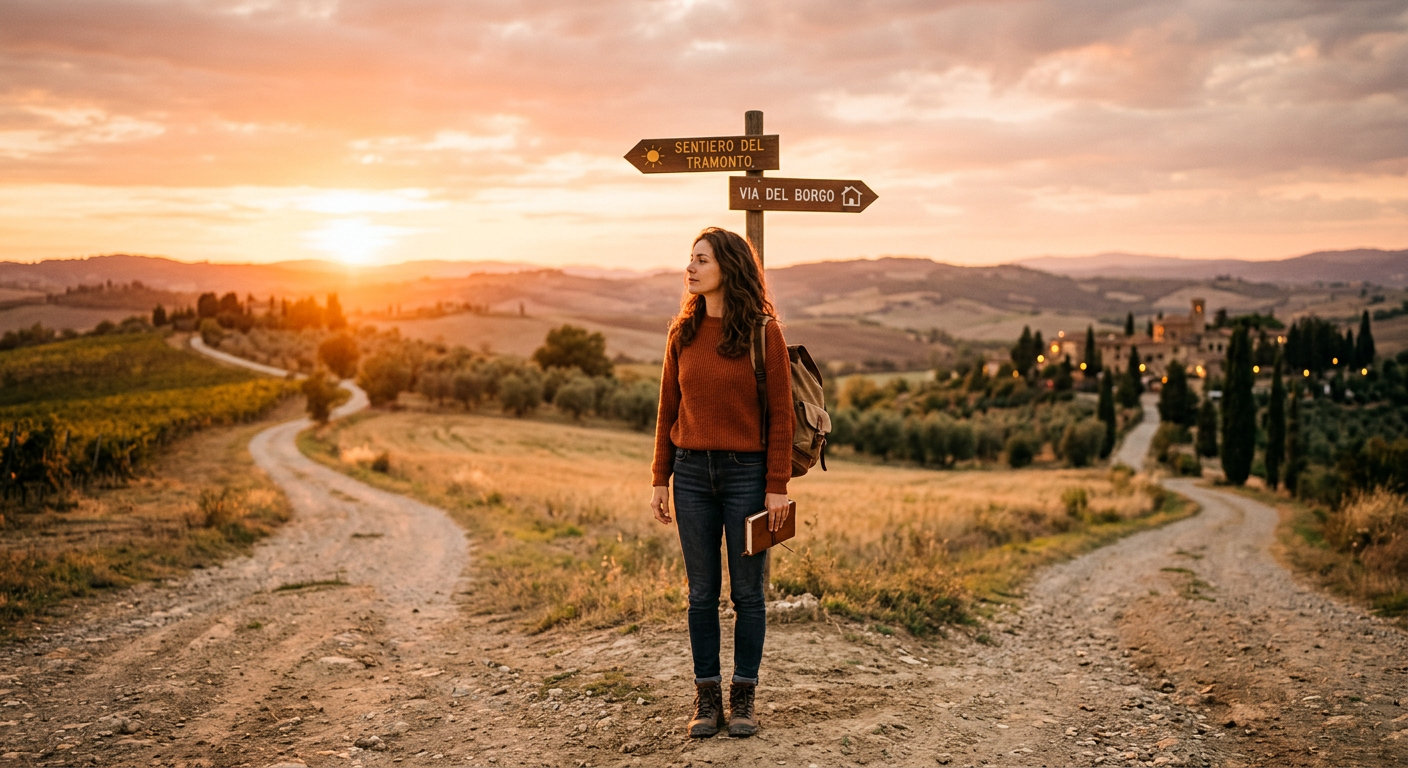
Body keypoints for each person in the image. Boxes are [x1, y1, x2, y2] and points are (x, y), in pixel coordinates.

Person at [650, 227, 793, 738]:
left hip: (747, 477)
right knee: (701, 594)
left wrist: (777, 484)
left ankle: (744, 696)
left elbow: (781, 415)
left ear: (728, 268)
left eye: (702, 260)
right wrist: (660, 478)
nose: (690, 268)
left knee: (748, 595)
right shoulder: (682, 334)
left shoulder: (763, 333)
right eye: (690, 259)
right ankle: (707, 697)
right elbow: (668, 409)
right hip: (690, 474)